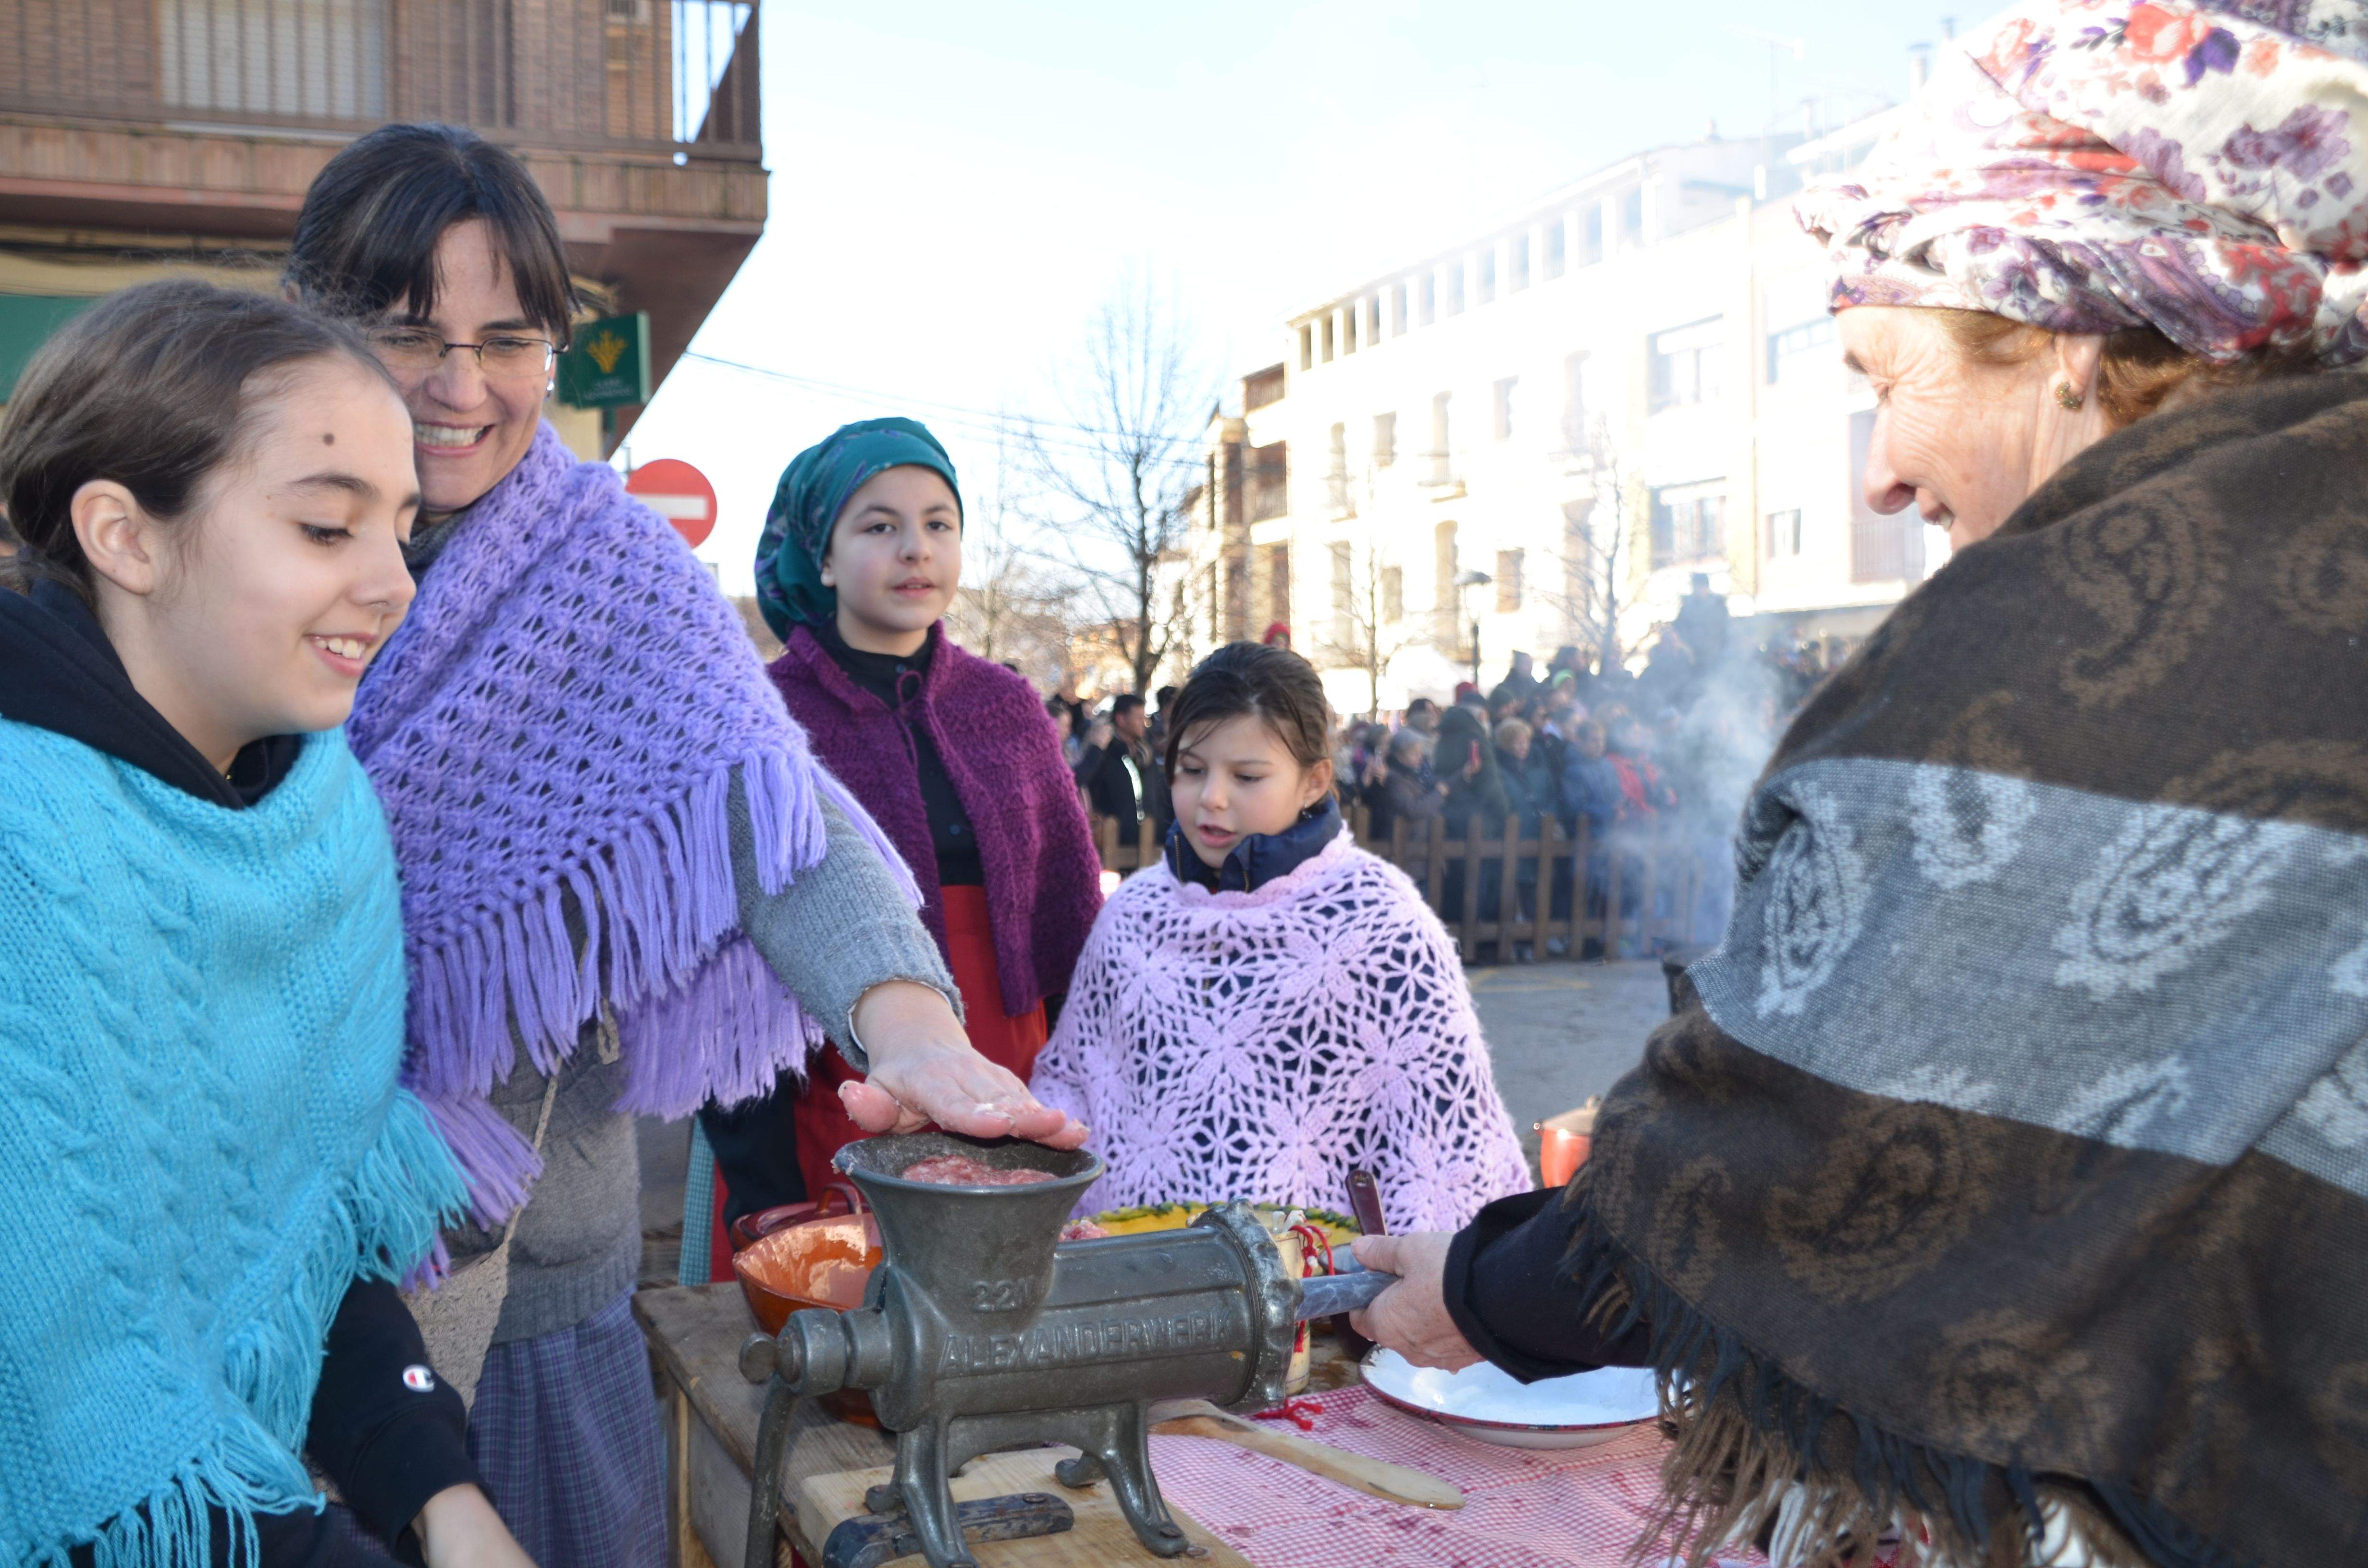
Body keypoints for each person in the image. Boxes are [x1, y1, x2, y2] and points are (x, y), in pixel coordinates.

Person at [1351, 11, 2368, 1565]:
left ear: (2069, 337)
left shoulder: (2095, 620)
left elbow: (1793, 1152)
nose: (1877, 474)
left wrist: (1477, 1287)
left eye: (1880, 375)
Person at [287, 123, 1083, 1567]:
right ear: (315, 329)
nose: (461, 385)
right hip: (262, 1281)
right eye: (408, 332)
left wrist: (909, 1032)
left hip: (532, 1290)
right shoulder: (245, 547)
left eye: (507, 337)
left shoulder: (605, 572)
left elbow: (773, 809)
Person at [0, 282, 533, 1566]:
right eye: (325, 526)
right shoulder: (26, 855)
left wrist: (442, 1500)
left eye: (402, 528)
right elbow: (77, 1422)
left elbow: (305, 1239)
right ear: (126, 536)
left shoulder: (315, 816)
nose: (391, 583)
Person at [730, 417, 1106, 1209]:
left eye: (939, 523)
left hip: (1011, 1073)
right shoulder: (762, 718)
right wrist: (757, 1182)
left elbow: (1069, 921)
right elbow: (728, 959)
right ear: (821, 557)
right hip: (835, 1079)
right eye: (879, 525)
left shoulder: (1007, 706)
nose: (916, 547)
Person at [1031, 643, 1529, 1232]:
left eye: (1246, 776)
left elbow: (1447, 1147)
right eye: (1191, 769)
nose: (1211, 797)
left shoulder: (1382, 924)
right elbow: (1075, 1080)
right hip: (1137, 1273)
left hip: (1320, 1287)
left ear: (1314, 780)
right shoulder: (1133, 915)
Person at [1074, 691, 1169, 840]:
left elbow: (1159, 796)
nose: (1144, 722)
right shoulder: (1104, 755)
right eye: (1139, 718)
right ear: (1121, 720)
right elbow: (1082, 783)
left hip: (1150, 843)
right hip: (1112, 844)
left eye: (1144, 717)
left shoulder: (1146, 755)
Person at [1362, 726, 1446, 841]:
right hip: (1400, 844)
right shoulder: (1394, 778)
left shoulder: (1412, 773)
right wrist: (1439, 794)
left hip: (1410, 843)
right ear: (1399, 755)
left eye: (1420, 753)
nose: (1420, 758)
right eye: (1414, 753)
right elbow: (1412, 809)